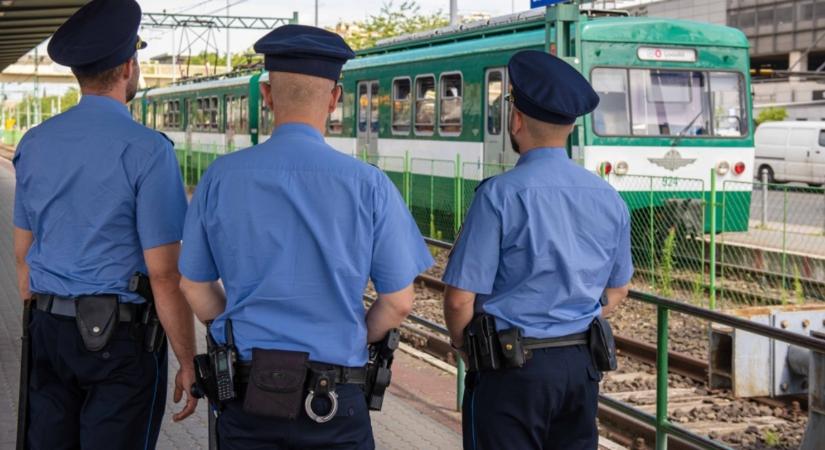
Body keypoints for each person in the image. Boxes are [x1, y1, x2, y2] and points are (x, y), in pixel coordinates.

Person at [178, 24, 433, 450]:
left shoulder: (220, 177)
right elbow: (399, 302)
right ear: (335, 99)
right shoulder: (369, 185)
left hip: (247, 394)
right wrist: (356, 335)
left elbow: (193, 285)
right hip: (335, 399)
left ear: (266, 96)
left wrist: (229, 325)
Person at [12, 1, 199, 449]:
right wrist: (188, 360)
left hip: (48, 331)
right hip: (120, 341)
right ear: (129, 66)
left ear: (78, 74)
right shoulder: (148, 150)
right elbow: (165, 274)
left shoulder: (34, 143)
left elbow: (23, 255)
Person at [442, 50, 633, 450]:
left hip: (511, 367)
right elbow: (617, 291)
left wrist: (464, 347)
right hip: (581, 367)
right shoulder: (608, 196)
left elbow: (460, 298)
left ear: (516, 119)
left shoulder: (499, 195)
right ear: (570, 127)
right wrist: (575, 318)